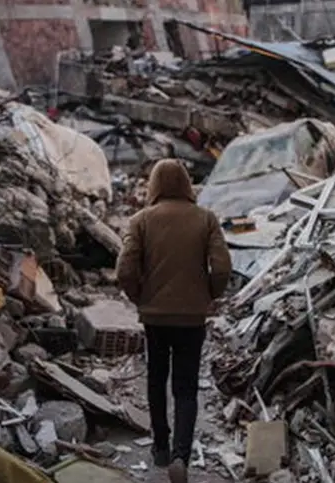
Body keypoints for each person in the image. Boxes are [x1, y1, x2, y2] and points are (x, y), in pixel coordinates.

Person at [117, 159, 232, 483]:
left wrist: (139, 297)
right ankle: (182, 455)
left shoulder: (141, 220)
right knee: (185, 386)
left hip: (155, 316)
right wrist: (209, 294)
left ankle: (160, 448)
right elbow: (222, 267)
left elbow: (125, 269)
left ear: (154, 185)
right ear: (185, 183)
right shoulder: (206, 219)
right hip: (192, 317)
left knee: (156, 379)